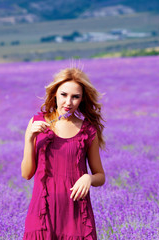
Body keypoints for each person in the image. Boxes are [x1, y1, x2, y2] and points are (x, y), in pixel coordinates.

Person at [21, 67, 106, 240]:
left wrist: (88, 178)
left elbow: (101, 176)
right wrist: (30, 138)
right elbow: (26, 174)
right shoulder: (36, 123)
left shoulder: (88, 130)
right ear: (55, 94)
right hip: (42, 216)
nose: (68, 102)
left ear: (82, 99)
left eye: (75, 97)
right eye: (63, 95)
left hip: (76, 217)